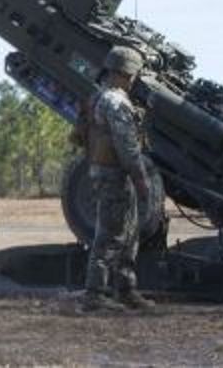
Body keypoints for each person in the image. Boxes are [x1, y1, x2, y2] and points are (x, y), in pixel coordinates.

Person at [79, 46, 156, 312]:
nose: (134, 80)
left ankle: (126, 289)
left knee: (129, 233)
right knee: (111, 234)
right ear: (127, 73)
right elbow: (127, 147)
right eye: (133, 75)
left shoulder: (101, 97)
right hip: (115, 175)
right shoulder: (116, 102)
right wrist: (141, 178)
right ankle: (95, 294)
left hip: (110, 173)